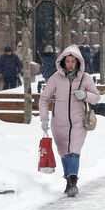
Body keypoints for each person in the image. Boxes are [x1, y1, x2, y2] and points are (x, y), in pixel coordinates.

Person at [38, 45, 100, 197]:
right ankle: (68, 181)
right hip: (59, 122)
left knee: (74, 151)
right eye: (68, 61)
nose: (71, 64)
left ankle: (73, 182)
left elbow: (97, 97)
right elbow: (44, 98)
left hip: (78, 122)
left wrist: (84, 95)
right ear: (63, 62)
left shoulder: (85, 78)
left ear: (78, 62)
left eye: (73, 61)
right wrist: (44, 118)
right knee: (64, 152)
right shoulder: (56, 78)